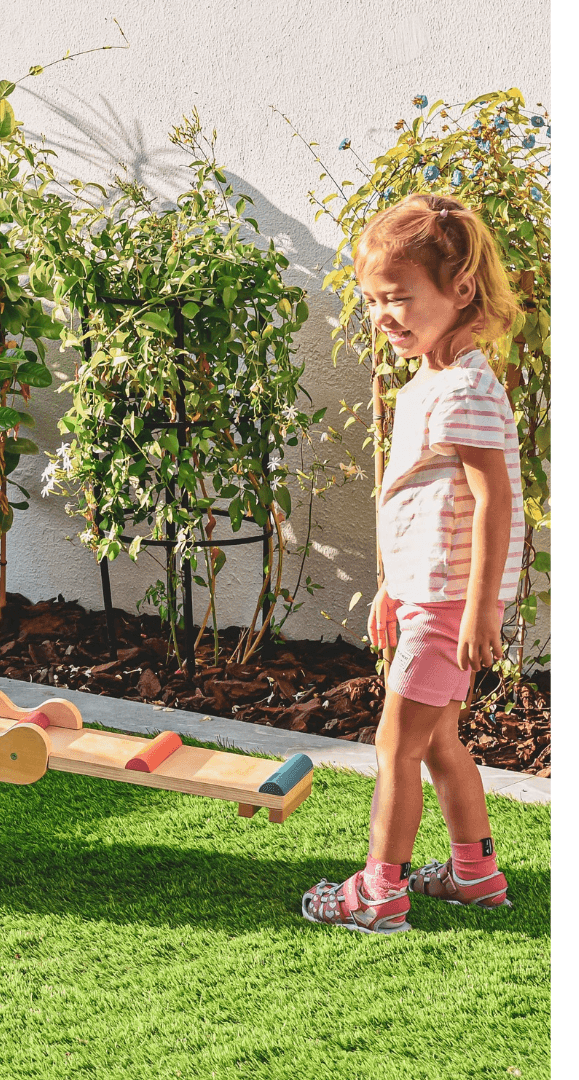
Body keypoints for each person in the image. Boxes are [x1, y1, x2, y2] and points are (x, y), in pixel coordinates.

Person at [302, 192, 525, 934]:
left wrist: (480, 607)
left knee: (394, 746)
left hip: (449, 604)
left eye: (399, 298)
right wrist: (392, 585)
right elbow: (426, 504)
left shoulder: (464, 388)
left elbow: (494, 501)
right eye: (373, 301)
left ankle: (378, 893)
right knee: (437, 743)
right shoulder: (430, 381)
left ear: (460, 289)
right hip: (430, 595)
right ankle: (475, 875)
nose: (383, 316)